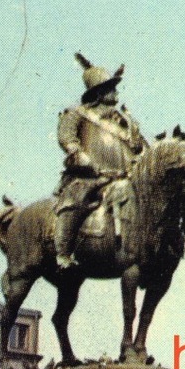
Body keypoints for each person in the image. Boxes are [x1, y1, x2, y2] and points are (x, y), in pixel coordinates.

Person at [53, 53, 147, 269]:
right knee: (75, 200)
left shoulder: (125, 120)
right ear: (98, 92)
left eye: (115, 88)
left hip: (125, 178)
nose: (115, 92)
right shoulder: (78, 114)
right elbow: (66, 137)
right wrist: (77, 153)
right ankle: (63, 253)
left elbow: (140, 146)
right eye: (110, 88)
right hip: (91, 176)